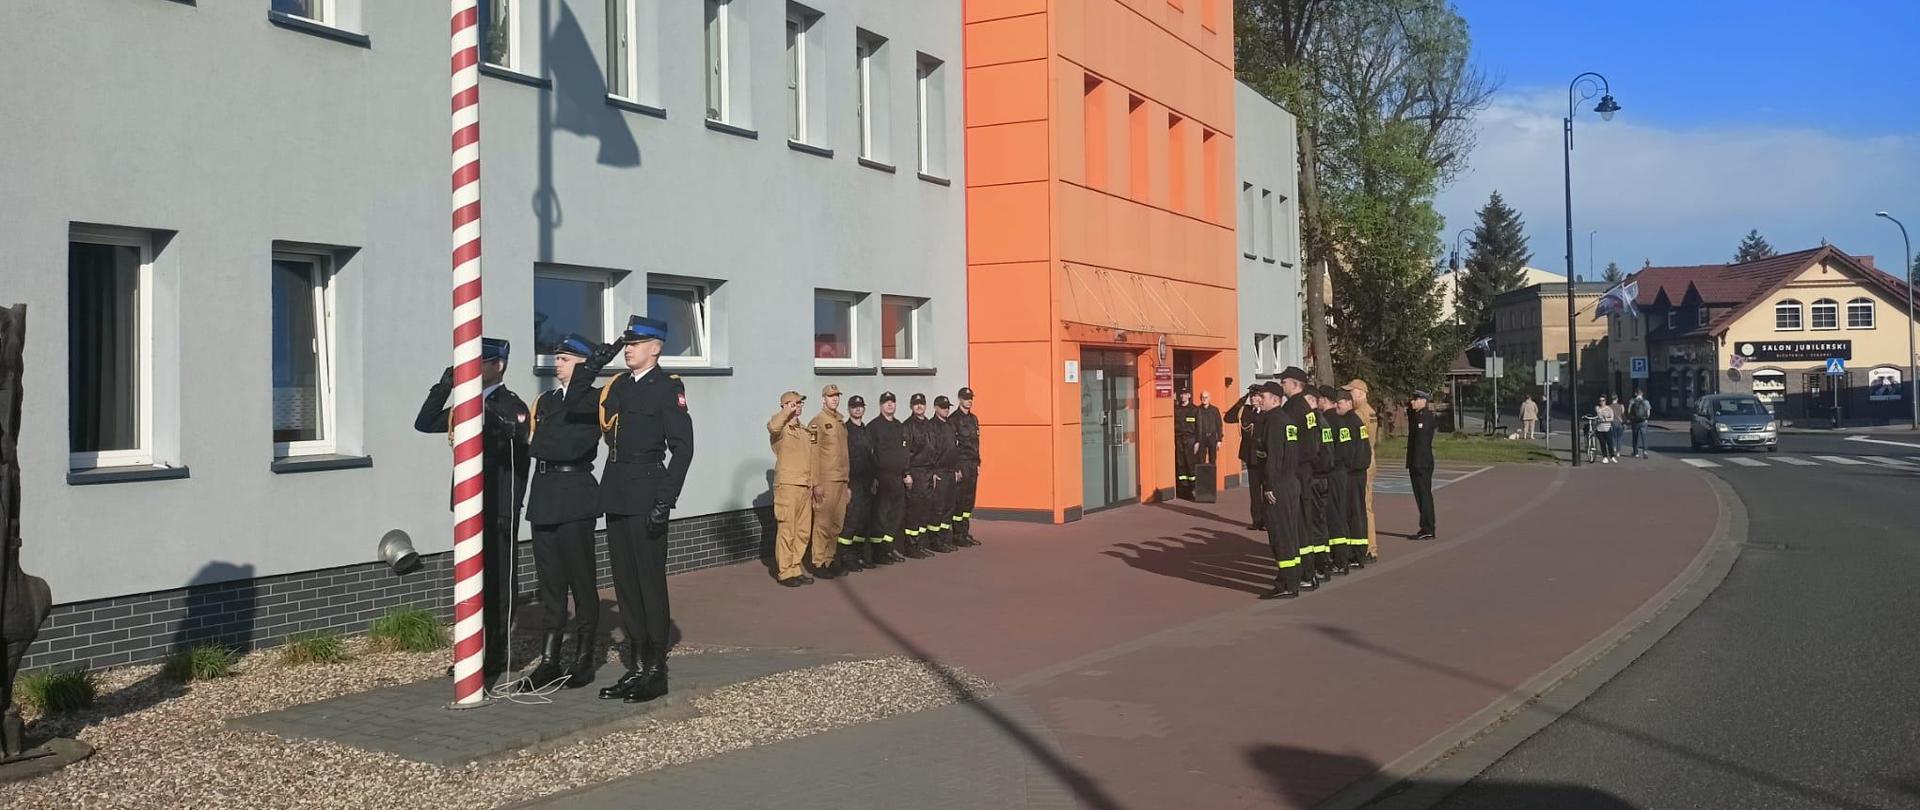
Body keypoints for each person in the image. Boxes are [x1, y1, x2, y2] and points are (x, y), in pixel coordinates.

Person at [414, 336, 529, 684]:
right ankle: (470, 651)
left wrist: (486, 413)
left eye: (480, 363)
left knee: (497, 582)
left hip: (498, 507)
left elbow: (518, 446)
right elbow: (425, 421)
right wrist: (446, 385)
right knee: (469, 582)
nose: (472, 369)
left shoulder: (511, 405)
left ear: (499, 365)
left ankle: (496, 652)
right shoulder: (465, 403)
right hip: (469, 507)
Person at [595, 315, 694, 704]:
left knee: (649, 583)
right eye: (627, 343)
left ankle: (656, 670)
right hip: (617, 492)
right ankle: (636, 666)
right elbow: (590, 404)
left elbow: (683, 449)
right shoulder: (618, 386)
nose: (628, 348)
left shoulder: (667, 388)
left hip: (647, 492)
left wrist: (664, 500)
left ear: (655, 348)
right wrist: (592, 364)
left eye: (636, 343)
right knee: (625, 582)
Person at [522, 334, 620, 690]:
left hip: (575, 493)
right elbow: (537, 444)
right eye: (556, 357)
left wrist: (588, 374)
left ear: (581, 364)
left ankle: (583, 658)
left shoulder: (592, 399)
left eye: (564, 358)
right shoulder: (545, 401)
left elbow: (567, 443)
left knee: (581, 580)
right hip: (545, 494)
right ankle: (549, 659)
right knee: (550, 584)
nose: (556, 363)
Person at [1256, 382, 1305, 600]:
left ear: (1275, 399)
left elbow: (1273, 458)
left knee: (1279, 535)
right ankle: (1288, 579)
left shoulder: (1275, 421)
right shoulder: (1288, 421)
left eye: (1263, 397)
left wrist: (1268, 486)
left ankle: (1288, 584)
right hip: (1291, 482)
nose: (1260, 400)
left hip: (1279, 485)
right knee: (1290, 534)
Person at [1278, 368, 1324, 591]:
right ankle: (1310, 571)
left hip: (1296, 471)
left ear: (1295, 384)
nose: (1282, 385)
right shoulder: (1306, 408)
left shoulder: (1293, 408)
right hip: (1306, 470)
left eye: (1284, 381)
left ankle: (1304, 573)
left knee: (1297, 524)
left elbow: (1288, 442)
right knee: (1304, 522)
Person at [768, 391, 817, 586]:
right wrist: (785, 412)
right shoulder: (780, 427)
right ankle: (785, 571)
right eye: (794, 403)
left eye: (800, 403)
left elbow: (810, 460)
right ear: (785, 405)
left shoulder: (804, 431)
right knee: (787, 530)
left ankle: (795, 567)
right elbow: (773, 427)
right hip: (787, 486)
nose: (799, 406)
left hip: (804, 486)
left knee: (802, 531)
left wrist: (813, 484)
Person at [809, 385, 852, 577]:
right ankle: (819, 562)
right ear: (823, 399)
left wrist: (847, 483)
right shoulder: (818, 422)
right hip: (826, 480)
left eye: (836, 396)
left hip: (841, 480)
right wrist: (816, 483)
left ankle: (830, 558)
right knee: (823, 523)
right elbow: (813, 454)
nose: (834, 399)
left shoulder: (840, 421)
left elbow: (844, 454)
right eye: (830, 396)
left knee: (836, 524)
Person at [867, 393, 909, 564]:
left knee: (895, 515)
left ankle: (889, 548)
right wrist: (874, 477)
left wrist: (906, 473)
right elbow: (869, 454)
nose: (890, 405)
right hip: (882, 478)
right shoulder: (874, 426)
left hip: (898, 477)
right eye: (886, 402)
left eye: (892, 402)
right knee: (880, 516)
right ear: (880, 405)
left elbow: (905, 451)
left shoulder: (899, 426)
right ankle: (878, 553)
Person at [1320, 386, 1355, 576]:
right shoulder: (1342, 422)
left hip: (1332, 473)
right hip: (1343, 472)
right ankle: (1343, 557)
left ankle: (1339, 560)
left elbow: (1327, 451)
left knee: (1333, 517)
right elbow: (1348, 448)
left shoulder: (1328, 422)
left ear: (1325, 400)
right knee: (1341, 515)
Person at [839, 395, 875, 572]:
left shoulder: (866, 430)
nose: (858, 409)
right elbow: (842, 460)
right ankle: (846, 558)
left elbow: (871, 457)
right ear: (849, 409)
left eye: (860, 406)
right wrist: (845, 485)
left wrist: (874, 478)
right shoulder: (845, 430)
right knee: (851, 521)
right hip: (852, 482)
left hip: (867, 483)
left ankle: (859, 556)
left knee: (863, 522)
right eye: (854, 407)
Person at [1336, 388, 1371, 570]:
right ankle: (1358, 551)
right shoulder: (1356, 421)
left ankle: (1355, 553)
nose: (1336, 407)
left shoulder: (1347, 423)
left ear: (1349, 403)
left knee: (1353, 513)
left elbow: (1347, 450)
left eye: (1339, 403)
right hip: (1359, 472)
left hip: (1352, 473)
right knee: (1358, 512)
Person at [901, 393, 938, 559]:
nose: (919, 406)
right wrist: (907, 474)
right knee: (914, 511)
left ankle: (921, 544)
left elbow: (935, 449)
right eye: (916, 404)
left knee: (925, 510)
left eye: (922, 403)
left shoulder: (930, 425)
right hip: (915, 472)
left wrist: (935, 472)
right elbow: (905, 453)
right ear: (911, 406)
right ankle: (911, 545)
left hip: (929, 472)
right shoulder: (908, 426)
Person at [1225, 385, 1266, 531]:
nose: (1254, 399)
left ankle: (1267, 521)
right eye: (1252, 396)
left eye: (1257, 396)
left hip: (1264, 456)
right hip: (1250, 456)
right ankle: (1257, 520)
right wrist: (1242, 400)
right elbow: (1228, 417)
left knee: (1266, 489)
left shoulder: (1267, 413)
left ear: (1262, 398)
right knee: (1254, 491)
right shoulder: (1246, 411)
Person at [1348, 379, 1379, 563]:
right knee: (1366, 505)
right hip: (1370, 459)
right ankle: (1369, 546)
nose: (1349, 396)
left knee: (1364, 506)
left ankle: (1369, 547)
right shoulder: (1371, 411)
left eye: (1351, 392)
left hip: (1364, 462)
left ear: (1360, 392)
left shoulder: (1360, 413)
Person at [927, 395, 963, 553]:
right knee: (938, 508)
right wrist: (933, 471)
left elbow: (955, 449)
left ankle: (944, 538)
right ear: (935, 408)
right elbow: (930, 451)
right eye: (943, 407)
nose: (946, 409)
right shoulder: (931, 426)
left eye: (948, 406)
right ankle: (934, 541)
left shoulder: (950, 425)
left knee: (949, 507)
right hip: (939, 472)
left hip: (950, 471)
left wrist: (957, 469)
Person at [950, 387, 982, 547]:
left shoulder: (974, 419)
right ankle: (957, 534)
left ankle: (965, 532)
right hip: (961, 463)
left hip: (972, 463)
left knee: (969, 500)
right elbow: (952, 446)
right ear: (959, 399)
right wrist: (956, 469)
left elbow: (976, 444)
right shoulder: (954, 419)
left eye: (971, 398)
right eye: (966, 398)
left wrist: (978, 463)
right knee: (960, 500)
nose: (969, 401)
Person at [1406, 390, 1438, 540]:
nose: (1412, 402)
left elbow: (1421, 443)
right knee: (1420, 495)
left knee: (1424, 495)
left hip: (1421, 462)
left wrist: (1417, 463)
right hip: (1416, 461)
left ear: (1423, 400)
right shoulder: (1418, 415)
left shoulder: (1425, 417)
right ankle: (1425, 526)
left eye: (1415, 399)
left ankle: (1428, 527)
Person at [1174, 390, 1199, 498]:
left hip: (1191, 440)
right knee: (1181, 464)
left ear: (1189, 395)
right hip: (1179, 439)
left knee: (1190, 464)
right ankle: (1183, 489)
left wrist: (1197, 442)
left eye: (1185, 394)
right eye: (1181, 394)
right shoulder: (1176, 409)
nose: (1183, 396)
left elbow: (1199, 426)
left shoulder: (1195, 409)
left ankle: (1193, 488)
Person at [1197, 391, 1223, 466]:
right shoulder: (1197, 410)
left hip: (1212, 437)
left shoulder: (1215, 410)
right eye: (1202, 397)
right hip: (1201, 437)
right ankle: (1203, 477)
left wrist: (1219, 440)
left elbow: (1219, 425)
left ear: (1209, 398)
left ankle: (1212, 477)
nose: (1204, 399)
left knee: (1213, 460)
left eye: (1206, 397)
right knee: (1201, 460)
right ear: (1200, 399)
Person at [1593, 396, 1618, 463]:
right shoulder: (1597, 408)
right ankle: (1605, 457)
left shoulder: (1609, 409)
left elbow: (1612, 418)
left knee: (1610, 443)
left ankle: (1612, 456)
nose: (1601, 402)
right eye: (1600, 401)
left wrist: (1605, 419)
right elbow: (1598, 415)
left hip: (1607, 428)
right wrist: (1601, 415)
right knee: (1602, 443)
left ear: (1605, 401)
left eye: (1603, 400)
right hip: (1599, 428)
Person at [1628, 389, 1652, 458]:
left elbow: (1629, 411)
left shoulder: (1632, 401)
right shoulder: (1646, 401)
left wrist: (1631, 418)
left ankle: (1635, 452)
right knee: (1644, 437)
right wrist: (1646, 418)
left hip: (1635, 422)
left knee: (1635, 437)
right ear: (1642, 394)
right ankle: (1645, 452)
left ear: (1636, 394)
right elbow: (1648, 412)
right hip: (1643, 421)